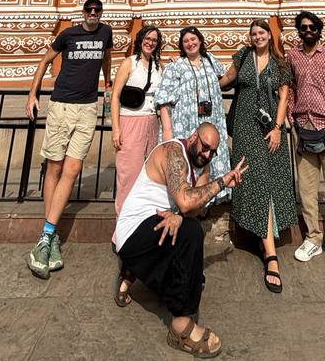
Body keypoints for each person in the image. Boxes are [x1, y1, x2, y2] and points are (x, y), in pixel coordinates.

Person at [114, 123, 247, 359]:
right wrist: (222, 182)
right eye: (204, 147)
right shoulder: (174, 153)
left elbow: (192, 210)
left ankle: (133, 272)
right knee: (192, 234)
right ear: (194, 137)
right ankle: (181, 328)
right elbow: (186, 202)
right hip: (134, 232)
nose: (206, 154)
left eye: (212, 152)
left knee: (193, 265)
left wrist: (179, 214)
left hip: (154, 224)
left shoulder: (199, 165)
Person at [25, 0, 113, 278]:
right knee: (55, 167)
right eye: (89, 9)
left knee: (73, 169)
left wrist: (108, 84)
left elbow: (107, 59)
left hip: (87, 107)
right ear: (83, 12)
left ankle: (47, 235)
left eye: (97, 10)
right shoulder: (68, 34)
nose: (93, 13)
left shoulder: (106, 33)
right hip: (61, 104)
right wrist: (32, 94)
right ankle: (48, 235)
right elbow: (44, 61)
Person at [219, 19, 297, 293]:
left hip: (270, 129)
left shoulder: (281, 62)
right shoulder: (242, 55)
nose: (257, 37)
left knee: (270, 180)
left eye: (262, 33)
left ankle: (267, 243)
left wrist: (277, 128)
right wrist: (198, 81)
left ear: (269, 35)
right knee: (255, 179)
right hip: (245, 126)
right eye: (253, 34)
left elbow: (285, 96)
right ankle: (270, 254)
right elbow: (226, 80)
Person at [286, 11, 325, 277]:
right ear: (299, 31)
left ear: (319, 30)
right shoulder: (292, 56)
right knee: (307, 191)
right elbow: (289, 89)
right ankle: (313, 239)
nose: (308, 30)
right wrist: (291, 118)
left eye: (312, 27)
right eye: (303, 27)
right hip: (303, 127)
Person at [154, 26, 231, 204]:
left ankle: (208, 201)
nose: (190, 43)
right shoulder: (176, 67)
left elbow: (225, 79)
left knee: (210, 157)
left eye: (193, 39)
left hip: (211, 121)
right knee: (191, 161)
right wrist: (167, 132)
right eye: (186, 41)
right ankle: (190, 204)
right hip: (188, 124)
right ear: (182, 45)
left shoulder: (211, 60)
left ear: (200, 40)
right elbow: (164, 100)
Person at [111, 24, 164, 216]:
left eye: (154, 40)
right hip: (130, 122)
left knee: (148, 176)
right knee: (129, 176)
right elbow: (115, 96)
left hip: (152, 122)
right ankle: (122, 229)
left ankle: (141, 221)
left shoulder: (159, 65)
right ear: (140, 40)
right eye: (147, 39)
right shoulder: (129, 63)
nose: (150, 43)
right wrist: (116, 129)